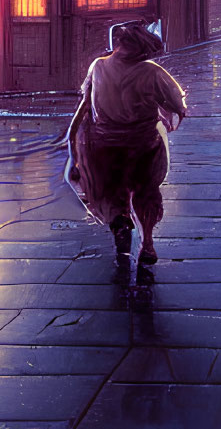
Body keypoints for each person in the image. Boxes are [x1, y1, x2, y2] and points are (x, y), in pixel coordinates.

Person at [64, 19, 187, 282]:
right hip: (144, 146)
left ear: (116, 44)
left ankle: (120, 222)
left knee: (111, 193)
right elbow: (179, 105)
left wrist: (72, 143)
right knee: (146, 193)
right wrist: (165, 115)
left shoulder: (98, 67)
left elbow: (84, 107)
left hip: (106, 147)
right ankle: (148, 244)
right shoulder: (152, 72)